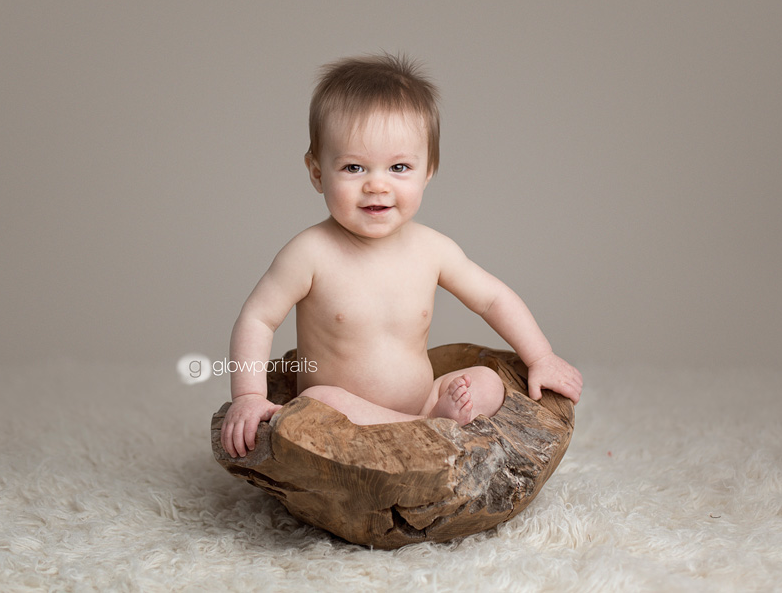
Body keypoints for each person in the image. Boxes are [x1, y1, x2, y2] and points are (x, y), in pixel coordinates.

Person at [221, 53, 582, 458]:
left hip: (426, 400)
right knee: (320, 399)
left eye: (399, 167)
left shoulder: (433, 249)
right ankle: (428, 431)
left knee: (487, 381)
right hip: (348, 422)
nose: (377, 185)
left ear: (428, 170)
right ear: (317, 173)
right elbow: (257, 318)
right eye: (354, 168)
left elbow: (493, 298)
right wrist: (249, 395)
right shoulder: (309, 254)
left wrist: (541, 356)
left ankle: (431, 420)